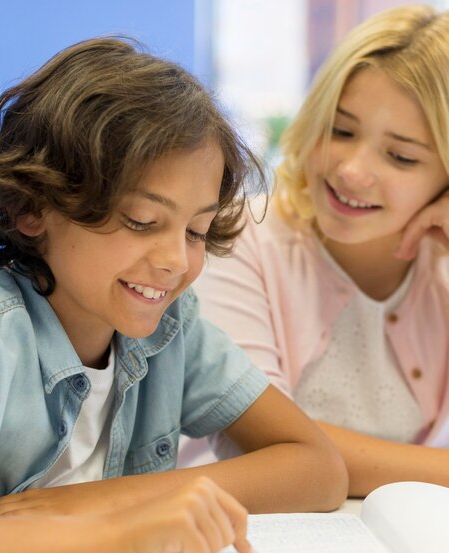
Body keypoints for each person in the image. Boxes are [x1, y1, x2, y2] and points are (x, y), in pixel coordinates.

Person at [0, 38, 346, 553]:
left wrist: (102, 502)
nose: (175, 261)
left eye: (196, 230)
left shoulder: (172, 329)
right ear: (32, 207)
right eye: (142, 221)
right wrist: (117, 535)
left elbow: (317, 466)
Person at [190, 5, 449, 497]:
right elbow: (265, 443)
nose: (351, 169)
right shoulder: (237, 235)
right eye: (341, 129)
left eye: (401, 156)